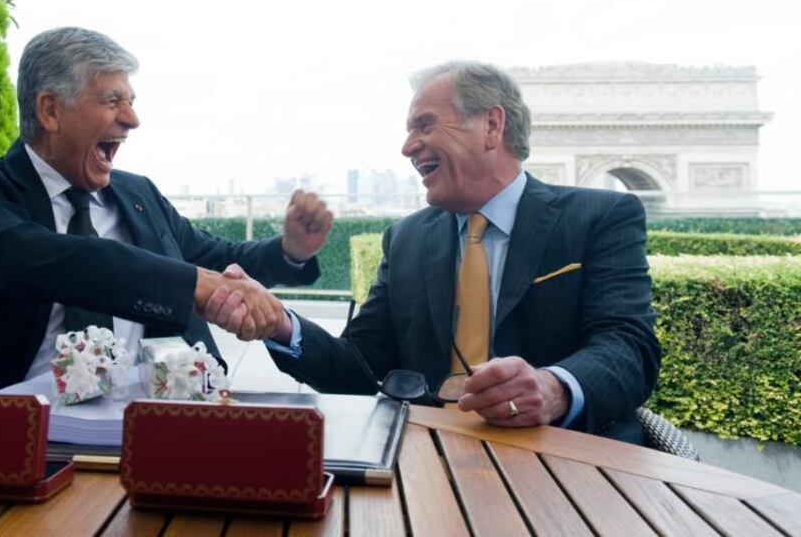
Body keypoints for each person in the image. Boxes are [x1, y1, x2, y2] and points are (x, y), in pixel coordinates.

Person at [207, 62, 660, 444]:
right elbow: (361, 368)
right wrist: (280, 323)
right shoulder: (405, 239)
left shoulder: (600, 216)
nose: (407, 147)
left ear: (492, 125)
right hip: (430, 461)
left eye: (424, 125)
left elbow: (629, 349)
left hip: (571, 461)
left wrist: (554, 387)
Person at [0, 27, 333, 388]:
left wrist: (289, 251)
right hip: (17, 435)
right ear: (50, 110)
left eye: (131, 100)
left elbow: (215, 259)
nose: (132, 119)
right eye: (112, 100)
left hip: (161, 421)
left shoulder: (138, 193)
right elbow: (33, 258)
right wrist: (191, 285)